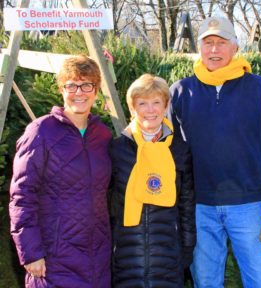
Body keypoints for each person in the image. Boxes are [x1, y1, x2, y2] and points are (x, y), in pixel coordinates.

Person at [170, 17, 261, 288]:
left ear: (235, 47)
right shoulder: (180, 92)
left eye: (221, 43)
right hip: (198, 207)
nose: (214, 50)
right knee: (206, 283)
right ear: (199, 49)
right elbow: (165, 148)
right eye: (208, 43)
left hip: (249, 207)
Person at [9, 55, 112, 288]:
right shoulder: (41, 132)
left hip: (98, 255)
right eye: (71, 85)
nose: (79, 92)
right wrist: (31, 251)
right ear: (61, 89)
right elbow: (22, 196)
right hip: (54, 258)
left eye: (87, 85)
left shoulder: (103, 136)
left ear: (96, 91)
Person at [109, 74, 196, 287]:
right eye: (142, 103)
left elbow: (186, 204)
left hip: (167, 252)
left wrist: (186, 247)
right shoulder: (117, 149)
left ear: (166, 106)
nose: (150, 110)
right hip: (127, 254)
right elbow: (107, 204)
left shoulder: (180, 149)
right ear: (132, 109)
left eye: (156, 102)